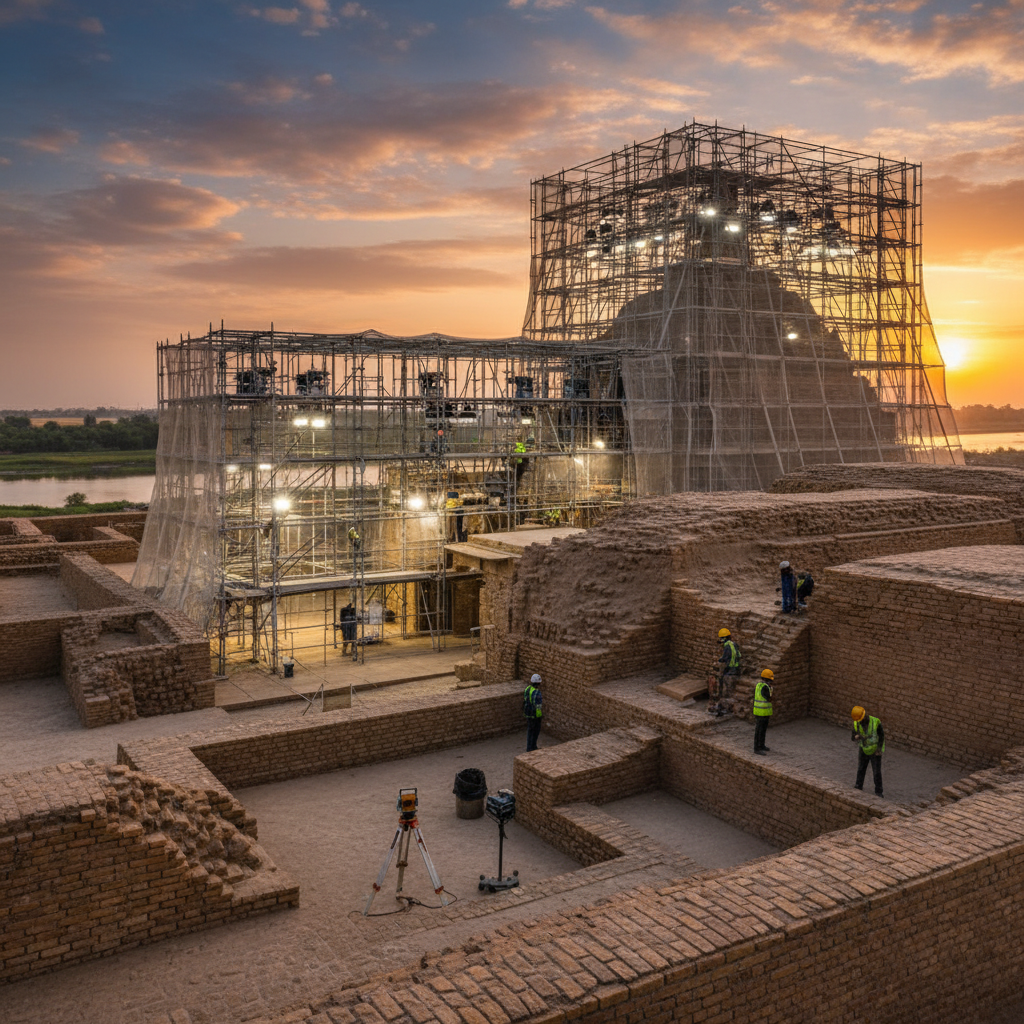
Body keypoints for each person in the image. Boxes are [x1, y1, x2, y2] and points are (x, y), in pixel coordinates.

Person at [851, 706, 884, 797]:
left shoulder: (875, 722)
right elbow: (852, 737)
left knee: (876, 771)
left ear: (864, 715)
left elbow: (881, 736)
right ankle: (858, 786)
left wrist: (879, 749)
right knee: (861, 768)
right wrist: (856, 737)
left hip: (875, 750)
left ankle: (879, 791)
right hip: (863, 749)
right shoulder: (856, 723)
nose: (860, 721)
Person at [714, 627, 741, 715]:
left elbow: (725, 658)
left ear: (723, 638)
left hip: (730, 670)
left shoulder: (727, 646)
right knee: (729, 690)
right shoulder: (734, 644)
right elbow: (739, 655)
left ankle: (725, 709)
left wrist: (719, 661)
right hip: (736, 669)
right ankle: (725, 707)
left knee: (726, 691)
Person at [753, 669, 773, 754]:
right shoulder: (765, 687)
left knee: (762, 730)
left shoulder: (759, 685)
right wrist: (772, 690)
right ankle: (757, 748)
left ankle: (761, 745)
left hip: (762, 712)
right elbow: (769, 698)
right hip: (761, 712)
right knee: (760, 730)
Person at [524, 673, 543, 752]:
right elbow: (538, 705)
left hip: (527, 713)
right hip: (535, 715)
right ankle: (533, 747)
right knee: (535, 731)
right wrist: (540, 714)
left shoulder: (527, 689)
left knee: (530, 731)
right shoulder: (536, 692)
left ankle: (529, 747)